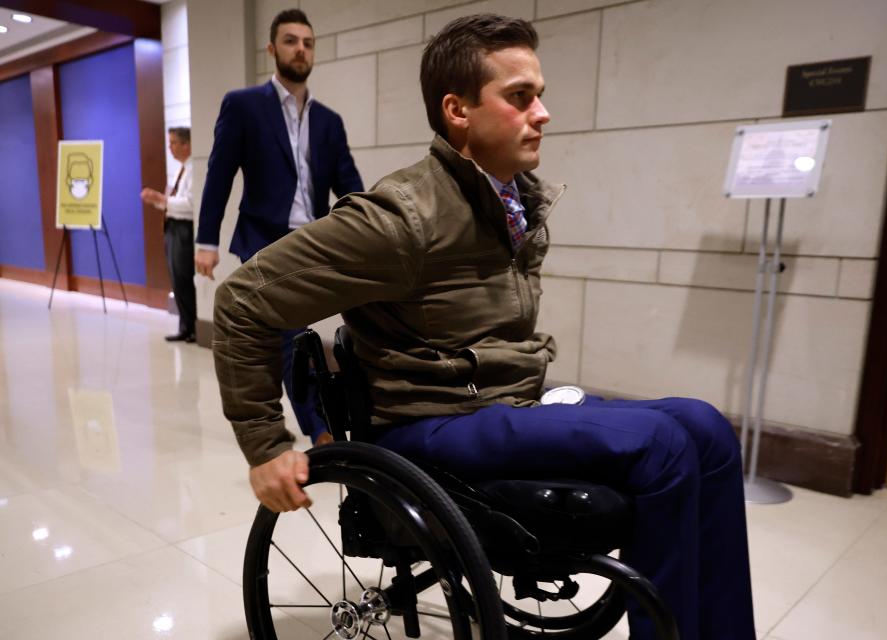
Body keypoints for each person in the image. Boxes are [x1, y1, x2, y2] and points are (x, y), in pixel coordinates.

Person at [211, 13, 755, 640]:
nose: (543, 112)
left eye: (539, 95)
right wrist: (266, 443)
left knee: (709, 430)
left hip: (496, 407)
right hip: (431, 423)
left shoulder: (509, 198)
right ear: (458, 111)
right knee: (661, 445)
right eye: (520, 97)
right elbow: (244, 301)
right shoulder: (403, 218)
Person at [196, 8, 364, 443]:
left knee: (363, 318)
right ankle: (322, 433)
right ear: (272, 49)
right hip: (264, 238)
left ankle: (368, 414)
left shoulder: (329, 121)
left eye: (307, 43)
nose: (300, 49)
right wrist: (206, 239)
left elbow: (350, 186)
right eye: (291, 41)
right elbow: (219, 174)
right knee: (292, 335)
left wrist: (372, 230)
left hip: (316, 239)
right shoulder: (244, 105)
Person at [141, 126, 196, 343]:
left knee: (183, 277)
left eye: (173, 142)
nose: (170, 147)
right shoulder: (179, 170)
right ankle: (185, 325)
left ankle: (193, 327)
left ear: (186, 144)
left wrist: (162, 200)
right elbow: (172, 201)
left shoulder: (194, 169)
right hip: (171, 226)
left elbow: (191, 205)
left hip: (184, 229)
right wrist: (158, 201)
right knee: (175, 279)